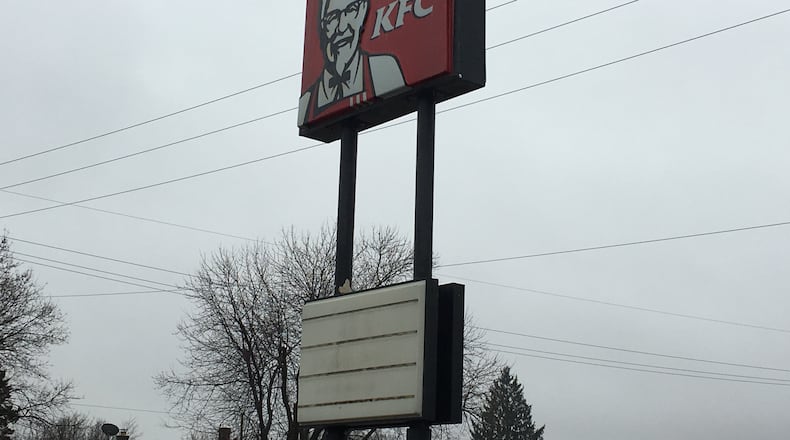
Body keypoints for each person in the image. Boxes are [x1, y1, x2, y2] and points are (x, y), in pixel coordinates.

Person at [299, 0, 406, 126]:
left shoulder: (385, 68)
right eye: (333, 17)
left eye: (351, 10)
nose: (342, 27)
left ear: (363, 11)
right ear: (323, 26)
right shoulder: (307, 103)